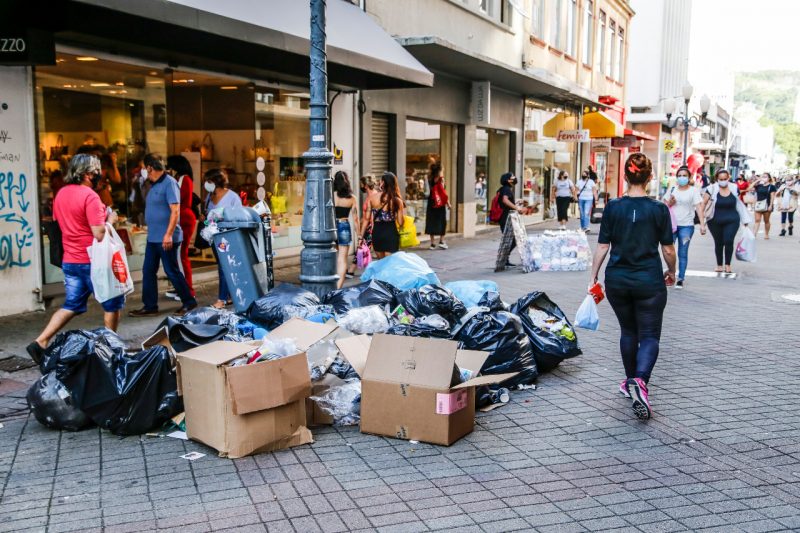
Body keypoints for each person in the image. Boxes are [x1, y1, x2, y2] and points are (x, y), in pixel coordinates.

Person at [589, 153, 677, 421]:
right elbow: (668, 249)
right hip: (649, 280)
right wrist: (672, 271)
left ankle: (631, 383)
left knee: (628, 331)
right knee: (649, 335)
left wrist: (593, 276)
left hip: (618, 279)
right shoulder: (659, 208)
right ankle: (640, 381)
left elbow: (602, 246)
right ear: (650, 177)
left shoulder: (613, 207)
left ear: (625, 176)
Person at [26, 155, 124, 364]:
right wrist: (110, 219)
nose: (100, 175)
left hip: (70, 260)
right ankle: (110, 348)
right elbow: (99, 233)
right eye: (97, 171)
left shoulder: (61, 194)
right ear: (87, 174)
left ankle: (40, 341)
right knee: (112, 304)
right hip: (93, 262)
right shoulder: (90, 197)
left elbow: (59, 222)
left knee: (71, 304)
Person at [129, 154, 197, 317]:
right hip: (153, 237)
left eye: (143, 167)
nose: (142, 171)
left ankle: (189, 302)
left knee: (171, 270)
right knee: (148, 270)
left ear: (149, 168)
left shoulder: (170, 183)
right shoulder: (152, 184)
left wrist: (168, 235)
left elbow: (175, 211)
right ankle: (150, 306)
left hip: (166, 237)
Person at [201, 168, 243, 309]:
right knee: (223, 266)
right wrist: (205, 219)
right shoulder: (209, 197)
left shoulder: (232, 197)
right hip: (214, 237)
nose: (205, 184)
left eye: (207, 181)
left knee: (224, 267)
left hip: (228, 237)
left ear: (214, 181)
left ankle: (222, 299)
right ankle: (230, 295)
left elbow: (239, 217)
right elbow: (208, 216)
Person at [663, 166, 706, 289]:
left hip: (687, 226)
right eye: (679, 176)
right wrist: (670, 203)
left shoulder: (693, 191)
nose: (682, 178)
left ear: (689, 177)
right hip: (672, 226)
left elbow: (699, 207)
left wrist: (702, 224)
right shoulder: (672, 189)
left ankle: (681, 278)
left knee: (683, 252)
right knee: (668, 251)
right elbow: (664, 206)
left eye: (684, 176)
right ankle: (671, 273)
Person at [703, 169, 752, 274]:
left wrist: (744, 219)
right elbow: (703, 203)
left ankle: (728, 265)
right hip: (714, 220)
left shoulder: (734, 188)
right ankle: (719, 265)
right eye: (721, 179)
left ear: (728, 178)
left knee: (728, 240)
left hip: (732, 220)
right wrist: (702, 221)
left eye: (725, 179)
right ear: (717, 179)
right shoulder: (711, 188)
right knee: (718, 242)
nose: (723, 181)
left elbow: (739, 204)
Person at [166, 155, 196, 299]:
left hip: (183, 219)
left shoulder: (184, 179)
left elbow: (178, 198)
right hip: (182, 218)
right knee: (179, 255)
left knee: (181, 256)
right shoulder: (183, 179)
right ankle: (181, 287)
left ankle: (187, 291)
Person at [366, 171, 405, 259]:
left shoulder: (372, 198)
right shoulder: (397, 201)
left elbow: (366, 219)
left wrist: (360, 236)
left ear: (383, 183)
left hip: (377, 233)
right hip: (391, 233)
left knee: (381, 263)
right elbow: (400, 222)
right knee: (390, 263)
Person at [333, 171, 359, 289]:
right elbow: (356, 219)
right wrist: (359, 235)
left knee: (332, 256)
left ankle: (331, 284)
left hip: (331, 227)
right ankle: (338, 287)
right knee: (342, 259)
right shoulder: (352, 198)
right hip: (344, 226)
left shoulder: (331, 195)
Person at [496, 172, 520, 267]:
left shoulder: (502, 189)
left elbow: (505, 202)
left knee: (510, 239)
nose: (514, 179)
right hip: (506, 218)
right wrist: (517, 208)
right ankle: (504, 257)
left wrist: (516, 203)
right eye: (512, 177)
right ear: (508, 180)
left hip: (504, 218)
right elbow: (505, 200)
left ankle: (505, 259)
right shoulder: (506, 189)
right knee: (513, 239)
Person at [425, 163, 450, 250]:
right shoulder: (441, 179)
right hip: (440, 204)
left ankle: (432, 244)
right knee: (442, 221)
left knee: (431, 221)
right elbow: (443, 193)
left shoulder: (428, 179)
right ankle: (441, 241)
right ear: (439, 171)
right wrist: (448, 203)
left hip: (431, 203)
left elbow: (426, 192)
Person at [748, 172, 777, 239]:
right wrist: (757, 180)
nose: (764, 178)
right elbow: (749, 188)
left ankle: (766, 234)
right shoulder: (759, 186)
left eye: (765, 176)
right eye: (763, 176)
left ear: (769, 178)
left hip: (767, 205)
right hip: (758, 205)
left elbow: (772, 197)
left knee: (766, 221)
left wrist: (771, 205)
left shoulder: (771, 187)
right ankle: (754, 234)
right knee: (757, 220)